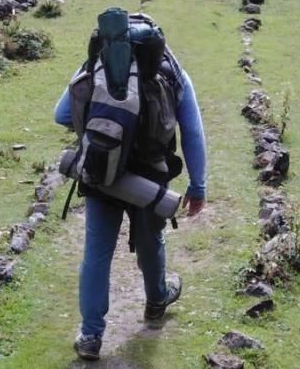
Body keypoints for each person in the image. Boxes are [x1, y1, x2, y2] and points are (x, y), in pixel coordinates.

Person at [54, 18, 207, 362]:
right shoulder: (171, 71)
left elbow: (61, 114)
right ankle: (156, 301)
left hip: (102, 174)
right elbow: (192, 132)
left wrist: (100, 135)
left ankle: (91, 335)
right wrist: (197, 186)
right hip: (152, 179)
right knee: (151, 242)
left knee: (96, 252)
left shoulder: (97, 67)